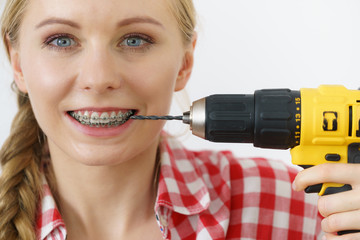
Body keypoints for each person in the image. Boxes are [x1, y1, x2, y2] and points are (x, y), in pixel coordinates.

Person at [0, 0, 358, 239]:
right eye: (61, 40)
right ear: (17, 63)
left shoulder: (307, 207)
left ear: (185, 63)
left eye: (135, 39)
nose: (98, 77)